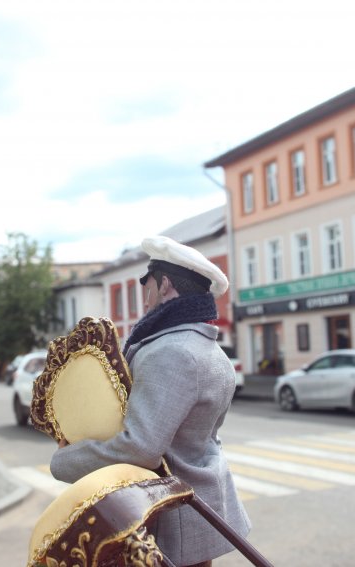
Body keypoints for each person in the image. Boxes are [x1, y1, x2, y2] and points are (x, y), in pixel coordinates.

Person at [50, 235, 250, 567]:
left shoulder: (172, 352)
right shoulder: (206, 348)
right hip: (196, 507)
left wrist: (65, 459)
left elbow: (140, 446)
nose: (146, 297)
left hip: (170, 520)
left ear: (166, 285)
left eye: (148, 285)